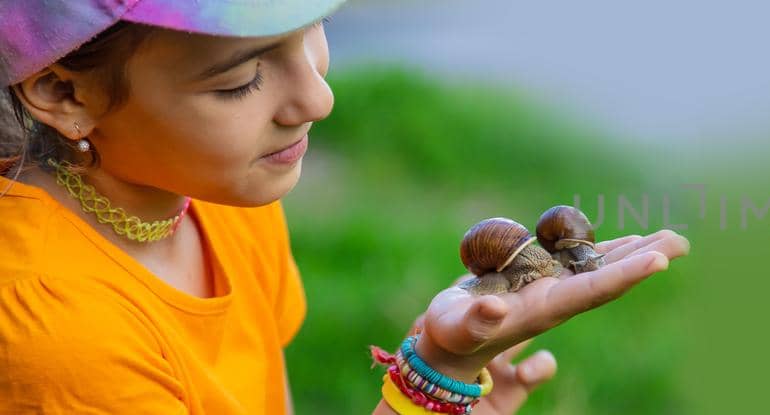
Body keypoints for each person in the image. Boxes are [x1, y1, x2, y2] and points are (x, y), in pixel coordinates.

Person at [0, 1, 690, 413]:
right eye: (241, 81)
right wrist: (433, 379)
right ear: (64, 93)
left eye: (315, 27)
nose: (319, 99)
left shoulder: (219, 197)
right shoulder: (59, 340)